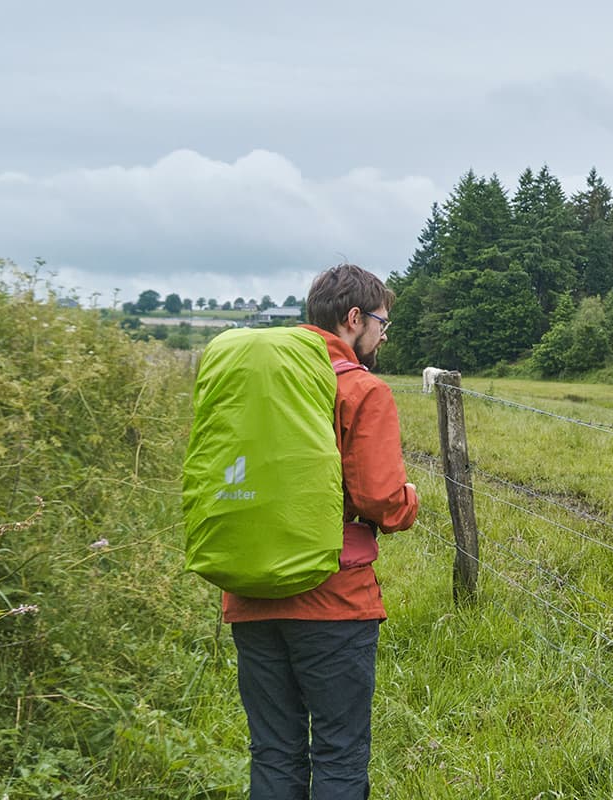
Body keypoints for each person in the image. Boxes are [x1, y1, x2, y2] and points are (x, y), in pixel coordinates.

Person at [223, 263, 419, 798]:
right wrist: (409, 503)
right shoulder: (361, 389)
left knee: (272, 750)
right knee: (338, 751)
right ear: (354, 318)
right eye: (381, 323)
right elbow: (382, 498)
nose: (381, 336)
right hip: (334, 601)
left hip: (250, 591)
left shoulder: (255, 382)